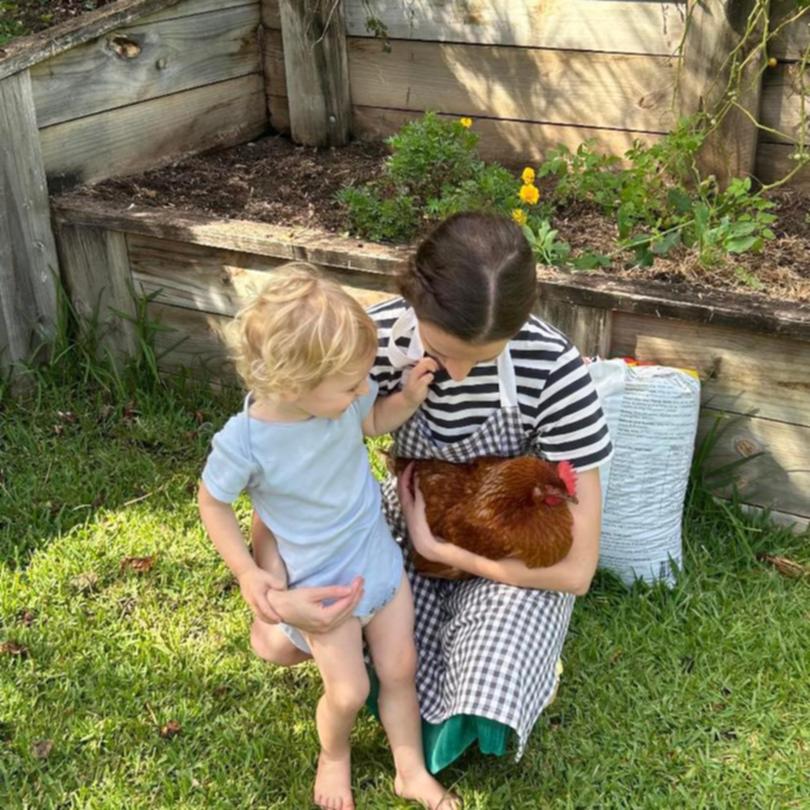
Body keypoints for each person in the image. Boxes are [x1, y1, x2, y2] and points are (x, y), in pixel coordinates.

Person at [251, 213, 613, 773]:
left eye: (485, 357)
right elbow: (277, 459)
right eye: (443, 353)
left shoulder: (554, 371)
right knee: (292, 642)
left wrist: (445, 552)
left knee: (493, 668)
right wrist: (271, 588)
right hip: (404, 524)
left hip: (503, 547)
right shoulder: (367, 342)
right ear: (414, 304)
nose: (461, 375)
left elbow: (576, 571)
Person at [198, 264, 457, 810]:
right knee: (349, 691)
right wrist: (248, 571)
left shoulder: (339, 400)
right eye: (350, 384)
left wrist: (404, 401)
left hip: (378, 564)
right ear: (293, 384)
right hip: (322, 591)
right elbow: (213, 502)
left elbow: (370, 421)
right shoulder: (246, 442)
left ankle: (409, 770)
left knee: (399, 669)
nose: (364, 388)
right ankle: (334, 753)